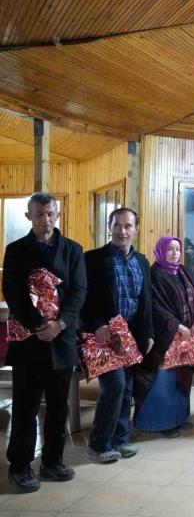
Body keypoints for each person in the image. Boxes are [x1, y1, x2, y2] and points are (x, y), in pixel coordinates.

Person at [3, 193, 86, 492]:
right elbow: (13, 292)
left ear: (57, 215)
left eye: (50, 214)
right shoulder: (16, 250)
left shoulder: (73, 250)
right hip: (29, 339)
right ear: (29, 216)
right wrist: (40, 325)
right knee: (25, 406)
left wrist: (59, 325)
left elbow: (79, 291)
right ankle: (20, 465)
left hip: (61, 340)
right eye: (39, 214)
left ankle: (52, 460)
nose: (45, 219)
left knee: (58, 405)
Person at [81, 207, 153, 462]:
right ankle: (99, 444)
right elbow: (83, 298)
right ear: (109, 228)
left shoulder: (141, 261)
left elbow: (146, 300)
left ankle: (120, 439)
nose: (122, 231)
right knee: (114, 385)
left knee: (126, 388)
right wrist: (97, 325)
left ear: (136, 229)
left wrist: (148, 333)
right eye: (117, 225)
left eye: (128, 226)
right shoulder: (93, 259)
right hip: (103, 335)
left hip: (132, 336)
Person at [134, 236, 194, 438]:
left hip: (186, 339)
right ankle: (159, 422)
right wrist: (176, 325)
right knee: (163, 381)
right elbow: (154, 306)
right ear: (160, 251)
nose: (175, 253)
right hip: (164, 338)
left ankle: (179, 418)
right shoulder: (154, 275)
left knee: (182, 379)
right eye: (170, 249)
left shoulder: (185, 272)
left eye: (177, 249)